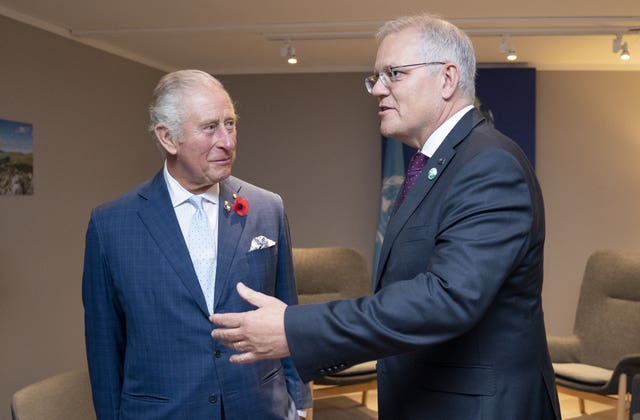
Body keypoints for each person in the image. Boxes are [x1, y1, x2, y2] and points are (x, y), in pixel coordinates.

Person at [210, 14, 561, 419]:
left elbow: (445, 298)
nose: (377, 89)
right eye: (375, 77)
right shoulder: (440, 163)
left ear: (447, 79)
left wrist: (294, 328)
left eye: (394, 74)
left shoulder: (487, 164)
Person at [82, 69, 310, 419]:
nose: (228, 141)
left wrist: (300, 403)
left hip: (260, 407)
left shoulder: (267, 209)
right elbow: (104, 346)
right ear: (168, 138)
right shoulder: (111, 225)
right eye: (210, 128)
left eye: (230, 124)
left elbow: (286, 313)